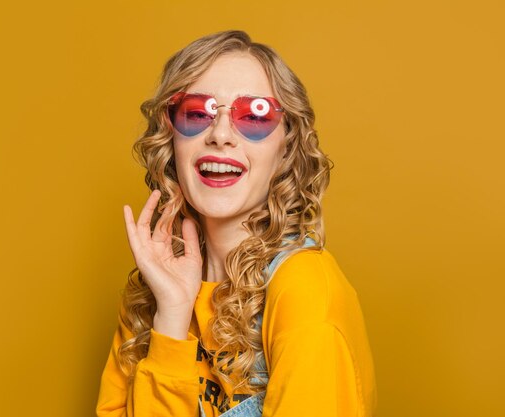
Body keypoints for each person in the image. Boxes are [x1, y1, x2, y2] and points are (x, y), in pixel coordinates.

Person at [96, 30, 377, 417]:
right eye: (197, 113)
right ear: (170, 137)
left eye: (255, 115)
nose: (221, 135)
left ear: (286, 147)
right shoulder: (154, 291)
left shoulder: (306, 293)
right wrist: (172, 316)